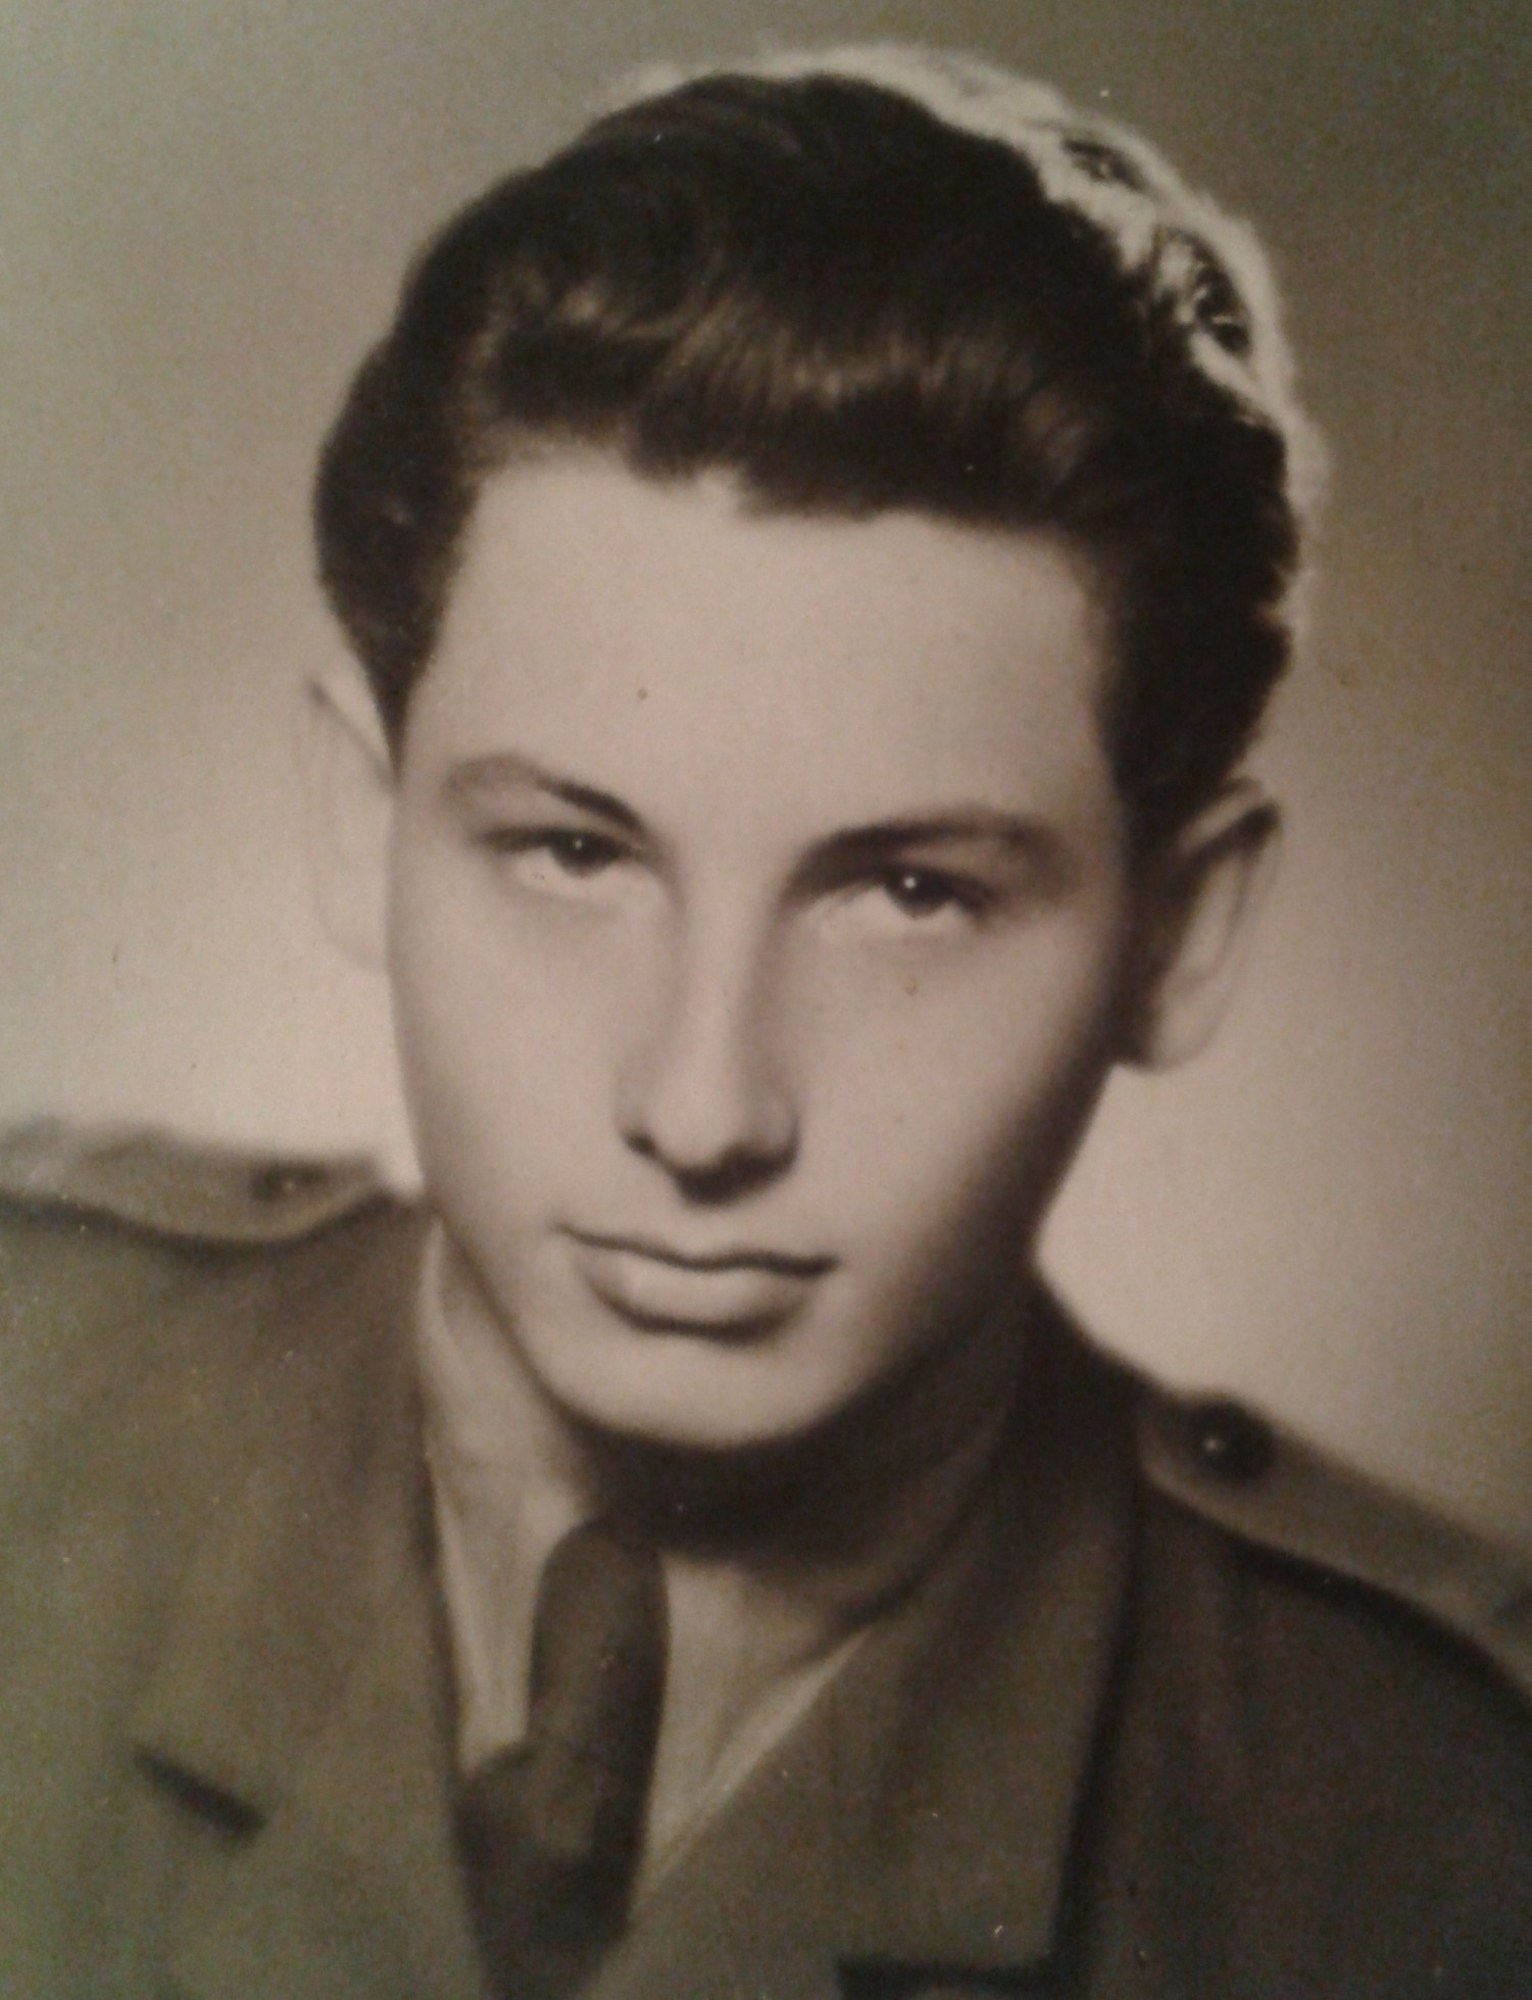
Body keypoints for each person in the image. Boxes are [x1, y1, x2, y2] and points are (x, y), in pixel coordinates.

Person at [2, 43, 1530, 2000]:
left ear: (1179, 933)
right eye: (572, 852)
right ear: (362, 818)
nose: (703, 1105)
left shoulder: (1437, 1827)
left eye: (910, 893)